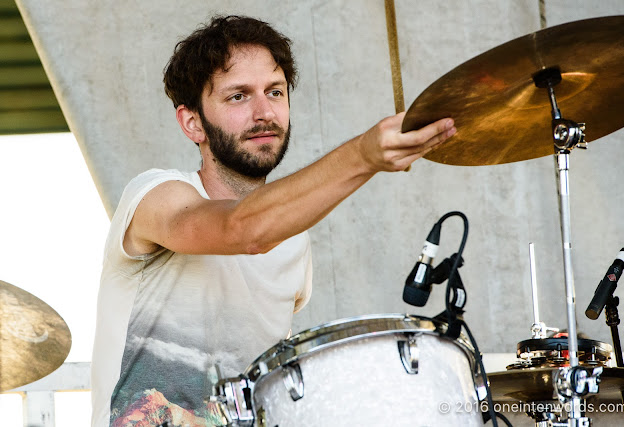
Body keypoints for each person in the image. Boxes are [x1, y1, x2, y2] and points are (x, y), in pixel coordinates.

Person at [91, 14, 456, 427]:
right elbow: (242, 230)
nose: (264, 112)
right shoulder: (154, 195)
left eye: (275, 92)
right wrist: (363, 155)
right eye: (238, 97)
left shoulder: (293, 236)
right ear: (192, 123)